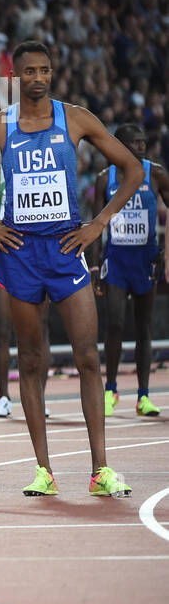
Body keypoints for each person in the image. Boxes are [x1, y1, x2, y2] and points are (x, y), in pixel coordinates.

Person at [0, 41, 141, 498]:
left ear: (52, 73)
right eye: (29, 71)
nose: (37, 78)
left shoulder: (75, 118)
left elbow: (131, 169)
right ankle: (44, 471)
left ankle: (100, 470)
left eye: (44, 70)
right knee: (31, 361)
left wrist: (98, 224)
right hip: (19, 254)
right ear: (15, 76)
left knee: (87, 357)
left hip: (67, 248)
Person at [92, 123, 169, 417]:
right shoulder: (105, 179)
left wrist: (164, 251)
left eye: (143, 142)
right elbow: (96, 225)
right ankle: (110, 390)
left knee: (144, 328)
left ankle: (144, 396)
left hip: (145, 260)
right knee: (113, 324)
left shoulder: (156, 173)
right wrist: (95, 264)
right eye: (135, 143)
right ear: (120, 146)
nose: (142, 147)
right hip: (116, 260)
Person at [0, 163, 51, 419]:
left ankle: (39, 395)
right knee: (3, 328)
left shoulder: (38, 172)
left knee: (40, 328)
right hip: (2, 253)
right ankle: (4, 397)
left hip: (33, 253)